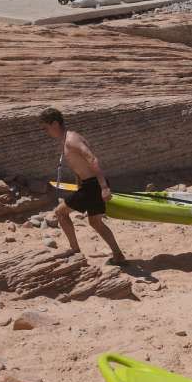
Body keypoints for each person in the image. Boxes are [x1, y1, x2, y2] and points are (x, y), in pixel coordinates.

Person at [40, 107, 126, 265]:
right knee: (95, 222)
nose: (46, 132)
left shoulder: (71, 140)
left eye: (46, 127)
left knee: (60, 212)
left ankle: (74, 249)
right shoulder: (68, 138)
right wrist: (80, 183)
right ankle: (118, 255)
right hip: (90, 185)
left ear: (55, 124)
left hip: (93, 185)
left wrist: (104, 187)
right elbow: (79, 165)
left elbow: (92, 159)